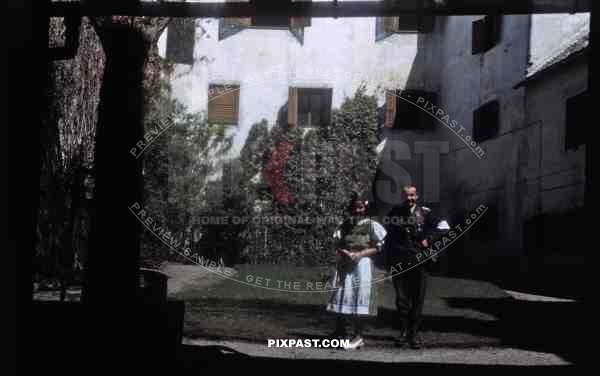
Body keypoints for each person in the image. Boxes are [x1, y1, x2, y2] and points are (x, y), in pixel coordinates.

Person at [326, 191, 387, 350]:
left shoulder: (372, 225)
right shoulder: (345, 224)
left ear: (365, 208)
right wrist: (345, 253)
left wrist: (360, 254)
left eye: (360, 208)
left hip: (362, 266)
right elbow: (337, 243)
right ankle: (341, 333)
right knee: (342, 296)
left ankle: (358, 336)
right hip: (345, 265)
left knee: (360, 298)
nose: (358, 211)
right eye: (355, 207)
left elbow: (379, 246)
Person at [383, 183, 440, 349]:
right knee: (402, 299)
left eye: (413, 195)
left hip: (420, 262)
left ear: (417, 196)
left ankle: (413, 334)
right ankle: (403, 332)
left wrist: (428, 240)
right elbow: (390, 238)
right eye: (407, 195)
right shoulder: (395, 213)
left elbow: (444, 227)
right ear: (403, 196)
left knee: (417, 298)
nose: (410, 198)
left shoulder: (426, 212)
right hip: (400, 261)